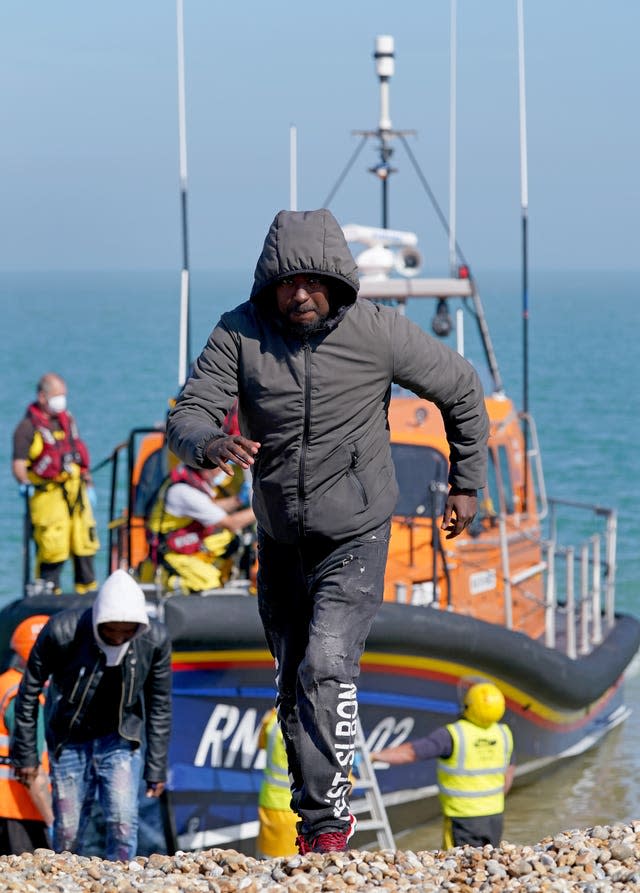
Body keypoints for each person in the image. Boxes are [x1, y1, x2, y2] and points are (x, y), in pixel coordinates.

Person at [166, 208, 489, 854]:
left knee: (326, 665)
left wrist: (466, 483)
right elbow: (190, 410)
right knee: (291, 683)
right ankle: (312, 815)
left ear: (337, 280)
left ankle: (325, 831)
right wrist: (207, 441)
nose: (302, 293)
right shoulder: (239, 333)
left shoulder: (377, 332)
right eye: (289, 282)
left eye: (314, 280)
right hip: (281, 538)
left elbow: (459, 385)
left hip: (357, 533)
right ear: (270, 283)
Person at [11, 569, 172, 861]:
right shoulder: (62, 631)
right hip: (69, 739)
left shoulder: (155, 640)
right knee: (68, 831)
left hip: (120, 739)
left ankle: (121, 879)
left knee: (124, 823)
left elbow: (159, 703)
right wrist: (26, 756)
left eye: (128, 631)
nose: (118, 637)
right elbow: (28, 692)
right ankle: (64, 879)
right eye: (111, 629)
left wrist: (156, 766)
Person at [371, 682, 515, 849]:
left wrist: (374, 756)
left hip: (463, 820)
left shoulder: (453, 734)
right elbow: (508, 776)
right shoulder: (504, 734)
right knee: (489, 863)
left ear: (468, 705)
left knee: (460, 867)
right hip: (494, 818)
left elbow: (411, 752)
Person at [12, 372, 99, 594]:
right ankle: (49, 598)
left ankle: (88, 596)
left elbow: (76, 452)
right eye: (57, 396)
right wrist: (25, 484)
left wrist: (87, 483)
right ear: (43, 396)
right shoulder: (26, 428)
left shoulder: (67, 420)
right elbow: (19, 464)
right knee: (53, 550)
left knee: (84, 546)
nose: (62, 401)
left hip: (75, 492)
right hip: (48, 497)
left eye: (64, 395)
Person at [140, 463, 255, 593]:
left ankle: (228, 572)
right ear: (206, 470)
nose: (223, 472)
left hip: (182, 546)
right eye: (219, 468)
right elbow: (231, 523)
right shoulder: (183, 493)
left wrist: (238, 500)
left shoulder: (187, 481)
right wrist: (265, 509)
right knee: (209, 581)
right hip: (171, 556)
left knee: (229, 538)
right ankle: (179, 585)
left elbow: (209, 507)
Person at [0, 615, 52, 856]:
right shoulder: (25, 698)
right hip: (18, 813)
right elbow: (31, 771)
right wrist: (53, 822)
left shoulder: (4, 684)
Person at [256, 707, 298, 858]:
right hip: (295, 808)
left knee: (265, 862)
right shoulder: (306, 722)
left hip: (269, 802)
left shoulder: (272, 719)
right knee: (292, 867)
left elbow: (261, 744)